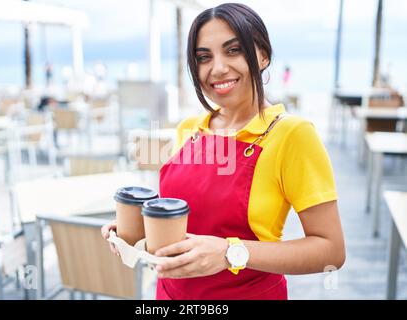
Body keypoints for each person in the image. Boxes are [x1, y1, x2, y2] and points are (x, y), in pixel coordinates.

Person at [102, 3, 345, 300]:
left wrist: (231, 253)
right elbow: (184, 221)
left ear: (263, 55)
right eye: (204, 57)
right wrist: (135, 232)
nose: (217, 68)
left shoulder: (292, 135)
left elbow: (331, 250)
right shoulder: (189, 129)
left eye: (233, 50)